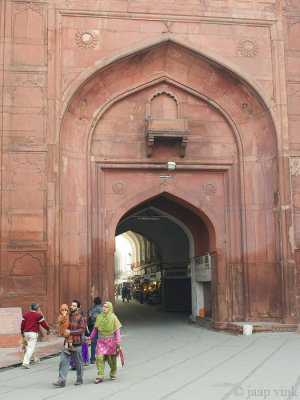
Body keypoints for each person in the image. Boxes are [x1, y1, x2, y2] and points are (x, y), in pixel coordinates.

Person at [87, 301, 122, 383]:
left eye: (106, 307)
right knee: (99, 357)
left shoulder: (113, 317)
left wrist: (118, 340)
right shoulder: (99, 317)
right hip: (101, 341)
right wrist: (90, 337)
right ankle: (100, 375)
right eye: (104, 306)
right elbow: (95, 329)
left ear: (110, 308)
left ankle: (113, 372)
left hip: (111, 341)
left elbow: (117, 330)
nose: (104, 308)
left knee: (111, 359)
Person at [53, 300, 85, 388]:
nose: (71, 307)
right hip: (66, 343)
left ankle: (79, 378)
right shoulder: (67, 315)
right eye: (71, 305)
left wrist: (70, 332)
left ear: (78, 308)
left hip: (76, 343)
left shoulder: (80, 318)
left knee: (78, 362)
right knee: (63, 361)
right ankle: (62, 380)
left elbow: (82, 330)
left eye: (74, 306)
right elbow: (62, 325)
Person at [21, 302, 50, 369]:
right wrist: (48, 329)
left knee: (30, 346)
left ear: (31, 307)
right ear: (37, 308)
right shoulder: (38, 315)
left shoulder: (25, 314)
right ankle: (25, 362)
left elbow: (22, 324)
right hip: (33, 333)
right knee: (30, 348)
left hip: (26, 332)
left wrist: (21, 332)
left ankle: (35, 359)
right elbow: (43, 324)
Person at [87, 296, 103, 364]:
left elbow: (89, 320)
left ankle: (93, 359)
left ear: (94, 302)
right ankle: (103, 357)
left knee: (93, 343)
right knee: (103, 342)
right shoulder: (102, 310)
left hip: (94, 327)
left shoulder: (91, 310)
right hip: (101, 328)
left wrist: (89, 328)